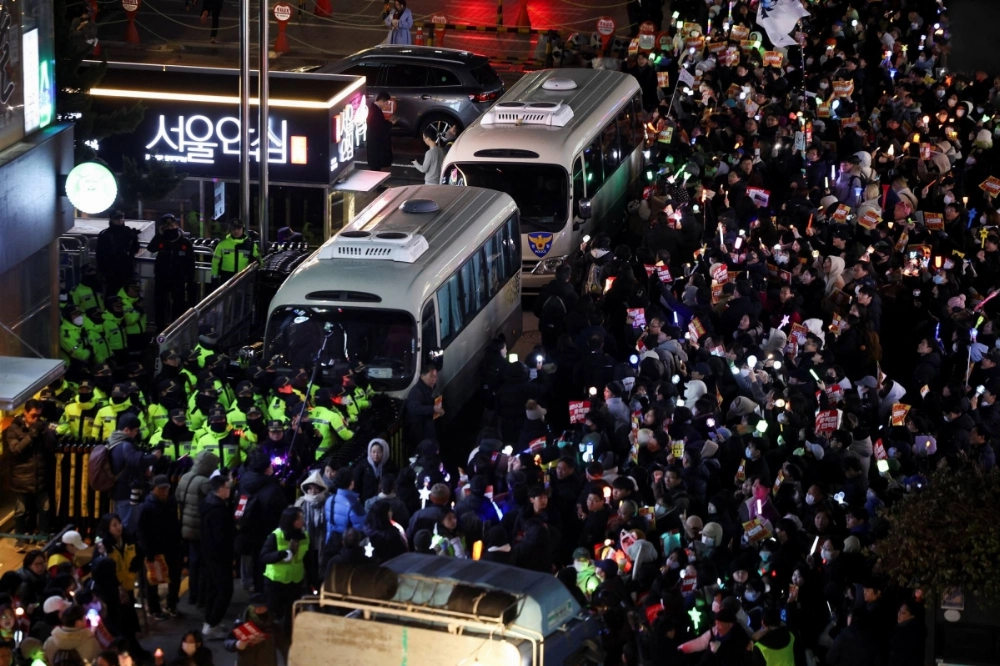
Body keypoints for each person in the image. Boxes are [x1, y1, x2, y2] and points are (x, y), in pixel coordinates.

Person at [3, 399, 55, 551]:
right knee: (21, 510)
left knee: (45, 509)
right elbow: (15, 450)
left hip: (40, 477)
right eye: (33, 416)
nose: (36, 420)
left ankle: (43, 537)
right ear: (25, 413)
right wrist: (32, 435)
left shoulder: (41, 427)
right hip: (22, 478)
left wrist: (45, 432)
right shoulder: (14, 429)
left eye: (39, 416)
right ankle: (20, 539)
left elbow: (52, 445)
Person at [259, 507, 308, 651]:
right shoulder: (276, 535)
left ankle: (286, 642)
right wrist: (281, 554)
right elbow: (264, 557)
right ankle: (268, 643)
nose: (302, 521)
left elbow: (309, 559)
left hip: (295, 581)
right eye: (299, 519)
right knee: (273, 615)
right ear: (291, 521)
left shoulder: (305, 536)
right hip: (275, 583)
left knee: (291, 614)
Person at [136, 475, 183, 620]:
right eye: (161, 488)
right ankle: (154, 608)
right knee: (153, 581)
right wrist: (148, 551)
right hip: (154, 550)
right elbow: (141, 531)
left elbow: (176, 525)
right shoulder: (146, 507)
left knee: (175, 578)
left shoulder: (171, 503)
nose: (164, 491)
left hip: (173, 548)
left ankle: (171, 604)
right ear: (154, 489)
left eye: (166, 488)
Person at [176, 450, 219, 608]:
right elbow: (214, 500)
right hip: (200, 527)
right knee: (204, 562)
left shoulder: (185, 477)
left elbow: (178, 498)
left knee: (193, 561)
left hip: (187, 525)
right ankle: (201, 595)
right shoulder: (204, 482)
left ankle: (192, 594)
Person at [107, 413, 162, 533]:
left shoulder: (114, 442)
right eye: (135, 430)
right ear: (127, 430)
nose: (137, 434)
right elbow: (137, 461)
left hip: (118, 490)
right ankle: (127, 550)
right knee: (128, 525)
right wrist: (154, 457)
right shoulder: (125, 445)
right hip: (127, 491)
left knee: (121, 521)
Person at [147, 214, 197, 332]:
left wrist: (190, 280)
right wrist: (159, 234)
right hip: (161, 277)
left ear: (177, 225)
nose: (171, 228)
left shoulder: (185, 242)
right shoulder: (161, 240)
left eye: (173, 225)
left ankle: (176, 328)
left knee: (178, 304)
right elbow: (151, 248)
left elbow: (190, 263)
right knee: (160, 303)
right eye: (167, 226)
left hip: (178, 278)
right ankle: (160, 329)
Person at [200, 475, 235, 639]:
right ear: (221, 490)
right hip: (219, 556)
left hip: (208, 553)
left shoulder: (208, 503)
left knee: (213, 589)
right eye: (228, 487)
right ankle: (212, 624)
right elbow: (222, 537)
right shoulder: (219, 510)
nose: (230, 490)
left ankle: (210, 621)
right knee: (225, 590)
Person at [95, 210, 139, 300]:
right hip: (111, 269)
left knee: (128, 293)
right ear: (111, 220)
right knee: (112, 293)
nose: (119, 220)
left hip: (127, 268)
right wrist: (102, 270)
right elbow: (100, 254)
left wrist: (134, 238)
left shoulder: (128, 231)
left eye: (121, 218)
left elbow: (135, 249)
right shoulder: (106, 234)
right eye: (116, 219)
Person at [405, 365, 441, 447]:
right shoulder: (416, 391)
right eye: (431, 376)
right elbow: (414, 408)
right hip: (420, 432)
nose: (434, 379)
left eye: (435, 376)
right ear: (422, 376)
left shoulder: (427, 388)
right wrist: (433, 409)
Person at [366, 92, 395, 172]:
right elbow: (380, 128)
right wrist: (390, 123)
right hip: (376, 145)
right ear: (381, 101)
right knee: (375, 167)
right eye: (385, 103)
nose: (386, 105)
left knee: (375, 166)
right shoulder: (376, 111)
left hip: (374, 143)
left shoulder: (373, 109)